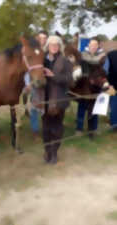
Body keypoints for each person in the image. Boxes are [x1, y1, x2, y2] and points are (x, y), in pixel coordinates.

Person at [42, 35, 73, 164]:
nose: (54, 47)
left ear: (59, 46)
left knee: (56, 127)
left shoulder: (65, 61)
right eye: (51, 44)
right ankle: (48, 151)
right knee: (45, 127)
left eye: (56, 44)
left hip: (59, 99)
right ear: (47, 46)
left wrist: (53, 76)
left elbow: (69, 80)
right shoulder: (42, 60)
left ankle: (54, 153)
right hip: (44, 99)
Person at [76, 38, 106, 137]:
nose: (93, 46)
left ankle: (94, 128)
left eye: (95, 45)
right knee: (81, 107)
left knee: (95, 109)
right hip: (84, 86)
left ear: (98, 46)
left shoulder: (103, 55)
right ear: (88, 45)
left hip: (97, 86)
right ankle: (79, 129)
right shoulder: (83, 54)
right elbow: (84, 64)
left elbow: (104, 69)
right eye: (91, 45)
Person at [23, 31, 49, 138]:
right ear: (36, 38)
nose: (42, 40)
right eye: (40, 38)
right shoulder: (31, 50)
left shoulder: (48, 51)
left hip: (45, 81)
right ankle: (35, 130)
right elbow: (26, 68)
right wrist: (27, 83)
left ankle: (46, 128)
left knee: (46, 105)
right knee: (34, 105)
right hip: (33, 81)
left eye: (44, 38)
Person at [103, 50, 117, 130]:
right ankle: (114, 124)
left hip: (112, 85)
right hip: (113, 86)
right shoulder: (110, 54)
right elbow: (105, 70)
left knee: (114, 105)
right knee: (114, 105)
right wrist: (107, 84)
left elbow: (105, 70)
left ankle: (114, 124)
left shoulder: (110, 54)